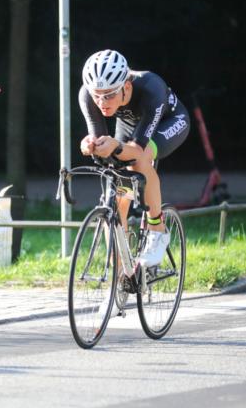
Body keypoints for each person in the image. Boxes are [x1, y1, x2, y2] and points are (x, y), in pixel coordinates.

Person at [77, 49, 190, 267]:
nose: (101, 101)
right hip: (130, 127)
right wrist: (90, 144)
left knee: (138, 162)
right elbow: (100, 139)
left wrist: (116, 146)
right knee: (116, 197)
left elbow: (137, 149)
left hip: (169, 123)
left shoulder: (151, 87)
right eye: (96, 94)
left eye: (109, 94)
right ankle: (121, 272)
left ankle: (157, 229)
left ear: (126, 87)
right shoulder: (87, 95)